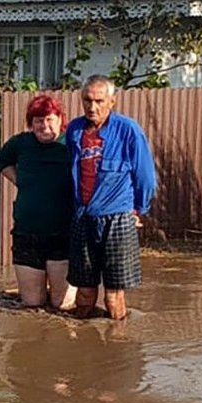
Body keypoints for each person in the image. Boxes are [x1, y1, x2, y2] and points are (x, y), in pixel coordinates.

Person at [65, 76, 156, 321]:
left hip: (117, 218)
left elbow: (146, 177)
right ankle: (83, 347)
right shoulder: (74, 130)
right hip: (83, 217)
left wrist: (137, 211)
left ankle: (117, 347)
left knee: (113, 296)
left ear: (112, 102)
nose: (92, 107)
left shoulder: (129, 130)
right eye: (87, 100)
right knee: (83, 292)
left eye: (99, 101)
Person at [0, 93, 76, 309]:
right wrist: (21, 181)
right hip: (27, 232)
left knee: (63, 304)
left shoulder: (71, 143)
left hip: (63, 233)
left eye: (50, 119)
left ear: (60, 119)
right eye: (38, 120)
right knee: (32, 303)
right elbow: (2, 161)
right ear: (31, 123)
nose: (44, 125)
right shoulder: (20, 143)